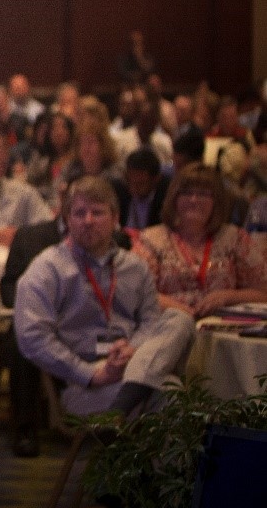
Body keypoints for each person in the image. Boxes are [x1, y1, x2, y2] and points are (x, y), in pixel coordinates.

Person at [15, 176, 196, 419]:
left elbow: (150, 321)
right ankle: (134, 393)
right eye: (79, 213)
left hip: (134, 362)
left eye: (97, 213)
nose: (88, 221)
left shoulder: (134, 267)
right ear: (67, 220)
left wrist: (133, 349)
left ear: (115, 219)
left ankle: (133, 387)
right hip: (85, 383)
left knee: (179, 319)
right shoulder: (48, 268)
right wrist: (91, 374)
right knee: (172, 396)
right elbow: (32, 337)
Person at [132, 163, 267, 317]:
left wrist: (228, 297)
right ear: (174, 198)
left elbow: (263, 293)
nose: (194, 200)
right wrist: (181, 311)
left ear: (216, 200)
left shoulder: (235, 238)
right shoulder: (152, 240)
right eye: (186, 193)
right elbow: (137, 293)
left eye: (203, 194)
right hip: (168, 324)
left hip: (224, 325)